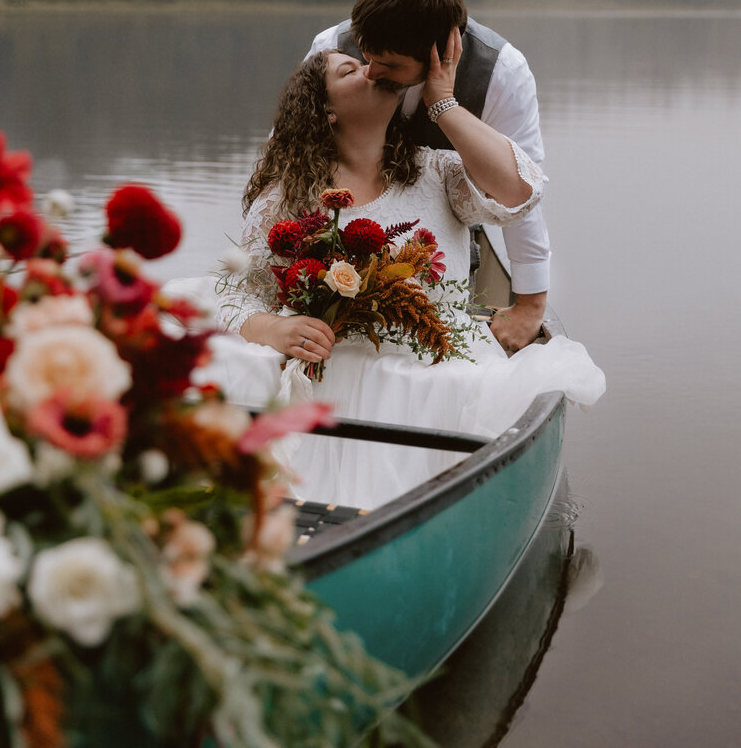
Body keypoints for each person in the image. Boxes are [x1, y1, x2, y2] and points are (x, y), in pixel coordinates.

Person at [187, 45, 604, 511]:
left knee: (478, 396)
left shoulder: (437, 172)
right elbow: (236, 296)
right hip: (328, 369)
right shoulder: (287, 194)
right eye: (351, 70)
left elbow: (520, 191)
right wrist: (276, 328)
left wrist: (443, 103)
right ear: (325, 111)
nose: (372, 71)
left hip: (435, 368)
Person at [306, 0, 549, 352]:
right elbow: (288, 150)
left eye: (389, 65)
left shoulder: (502, 72)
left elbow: (521, 195)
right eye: (366, 55)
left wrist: (530, 305)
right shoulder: (330, 47)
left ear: (439, 53)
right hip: (337, 240)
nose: (370, 71)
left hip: (444, 248)